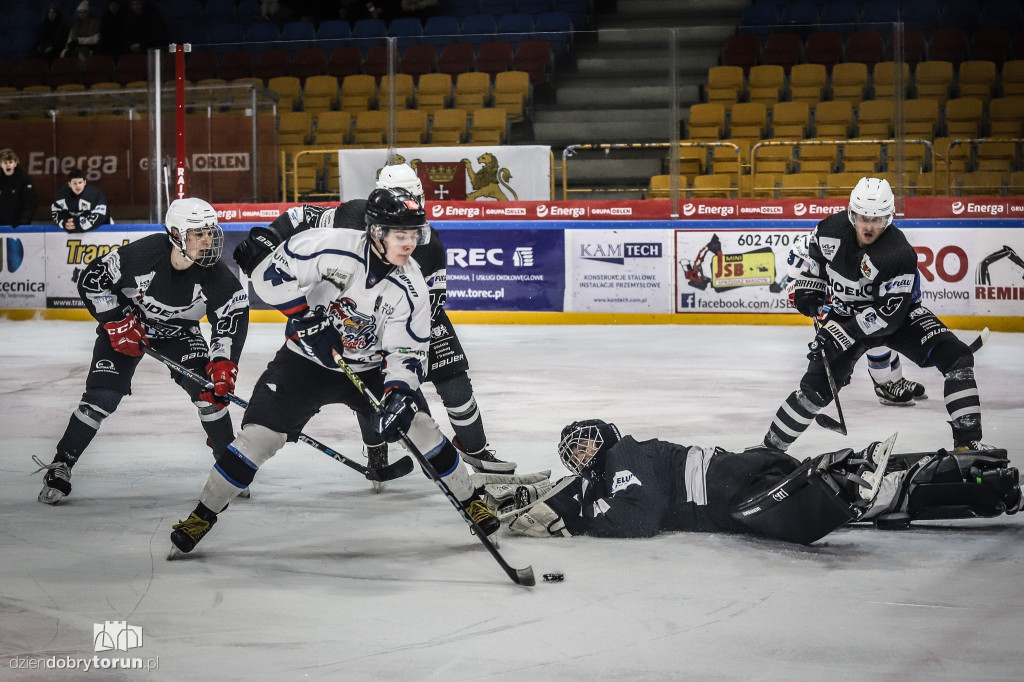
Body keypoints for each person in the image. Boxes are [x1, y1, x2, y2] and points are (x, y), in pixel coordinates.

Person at [168, 187, 501, 555]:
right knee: (259, 438)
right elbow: (268, 274)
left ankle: (471, 501)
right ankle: (202, 514)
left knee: (422, 428)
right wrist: (305, 318)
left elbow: (408, 351)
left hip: (371, 369)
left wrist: (398, 392)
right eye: (400, 235)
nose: (409, 244)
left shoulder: (413, 288)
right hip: (305, 364)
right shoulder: (330, 245)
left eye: (413, 235)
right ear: (376, 232)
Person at [232, 163, 516, 484]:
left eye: (413, 197)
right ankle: (376, 448)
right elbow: (301, 216)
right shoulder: (354, 215)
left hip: (412, 317)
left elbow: (432, 303)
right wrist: (270, 237)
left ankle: (475, 450)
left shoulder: (428, 241)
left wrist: (397, 343)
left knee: (455, 384)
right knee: (366, 387)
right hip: (356, 317)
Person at [32, 198, 249, 505]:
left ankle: (228, 469)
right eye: (198, 233)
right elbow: (93, 281)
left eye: (210, 232)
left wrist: (224, 361)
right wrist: (115, 320)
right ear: (176, 233)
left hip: (179, 334)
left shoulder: (216, 275)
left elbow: (231, 317)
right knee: (101, 398)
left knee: (209, 393)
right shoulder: (143, 255)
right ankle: (62, 464)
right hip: (131, 327)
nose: (208, 240)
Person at [501, 420, 1021, 542]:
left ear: (604, 438)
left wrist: (582, 524)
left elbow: (641, 517)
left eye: (586, 443)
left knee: (808, 503)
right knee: (886, 507)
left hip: (736, 489)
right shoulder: (618, 463)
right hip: (743, 474)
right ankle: (982, 483)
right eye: (578, 450)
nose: (583, 453)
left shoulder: (623, 456)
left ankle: (844, 479)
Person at [763, 177, 992, 452]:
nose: (869, 226)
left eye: (878, 219)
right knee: (814, 388)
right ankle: (767, 452)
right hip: (845, 313)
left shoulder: (898, 254)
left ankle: (967, 447)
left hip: (897, 317)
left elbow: (888, 319)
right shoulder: (829, 230)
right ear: (851, 214)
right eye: (863, 217)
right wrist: (811, 288)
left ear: (890, 218)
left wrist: (840, 332)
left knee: (957, 358)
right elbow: (816, 258)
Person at [784, 238, 927, 407]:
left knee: (885, 330)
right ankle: (884, 385)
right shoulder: (813, 247)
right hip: (826, 301)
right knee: (874, 333)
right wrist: (815, 299)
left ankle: (895, 379)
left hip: (843, 295)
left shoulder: (855, 244)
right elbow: (794, 288)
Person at [51, 168, 111, 233]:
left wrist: (78, 224)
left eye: (80, 182)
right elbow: (56, 211)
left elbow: (101, 214)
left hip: (103, 233)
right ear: (69, 184)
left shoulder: (96, 194)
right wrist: (64, 223)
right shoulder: (61, 195)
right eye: (74, 183)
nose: (78, 186)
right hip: (74, 234)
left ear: (85, 182)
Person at [0, 149, 38, 228]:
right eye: (5, 163)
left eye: (10, 162)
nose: (8, 165)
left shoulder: (24, 181)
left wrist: (23, 225)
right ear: (1, 165)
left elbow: (30, 204)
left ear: (15, 164)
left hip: (19, 228)